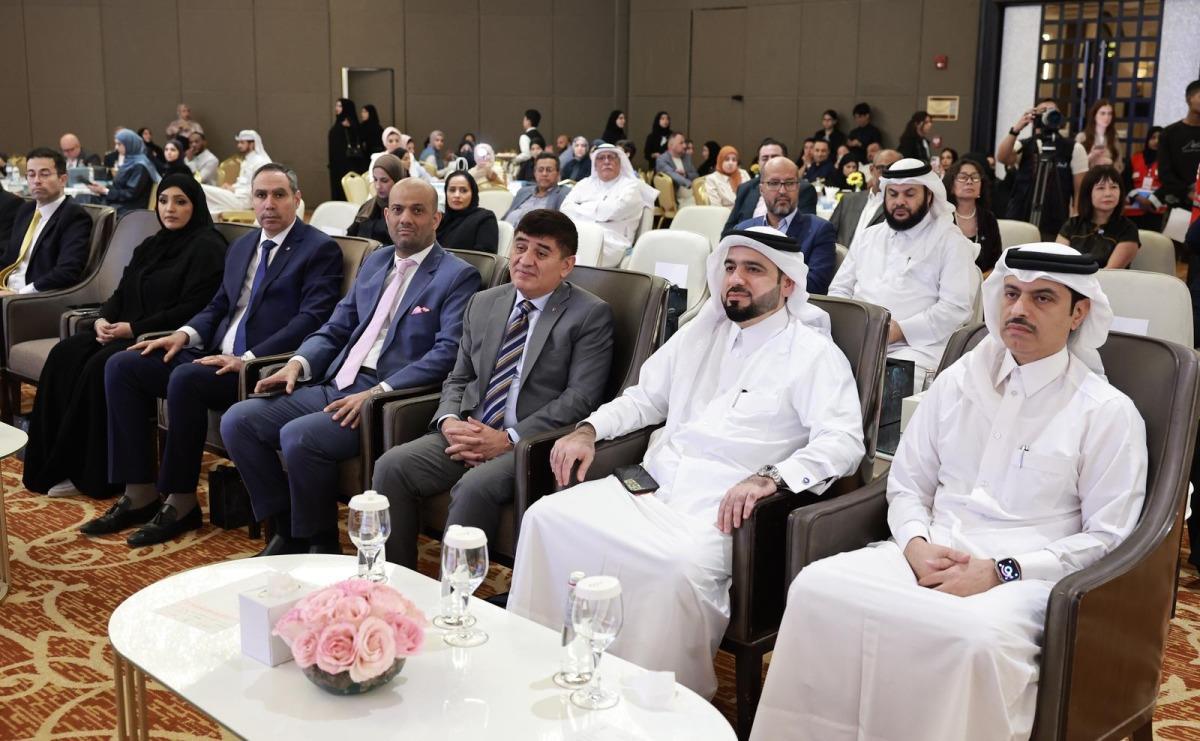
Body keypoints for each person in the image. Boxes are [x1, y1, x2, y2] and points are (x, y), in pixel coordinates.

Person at [752, 243, 1147, 741]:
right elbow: (907, 481)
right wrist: (915, 544)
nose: (1019, 309)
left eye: (1042, 298)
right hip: (929, 548)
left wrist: (1001, 571)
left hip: (1027, 579)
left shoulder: (1106, 412)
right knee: (816, 589)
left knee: (969, 639)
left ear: (1079, 313)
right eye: (1011, 294)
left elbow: (1108, 538)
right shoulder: (960, 379)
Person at [509, 226, 865, 697]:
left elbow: (843, 441)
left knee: (673, 568)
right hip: (651, 487)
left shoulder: (813, 354)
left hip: (722, 511)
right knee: (546, 517)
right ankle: (539, 669)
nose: (736, 279)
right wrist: (589, 429)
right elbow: (645, 399)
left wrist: (771, 478)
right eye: (730, 267)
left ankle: (653, 702)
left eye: (753, 270)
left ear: (787, 284)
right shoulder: (700, 334)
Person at [220, 178, 481, 555]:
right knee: (238, 421)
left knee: (299, 436)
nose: (405, 219)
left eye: (417, 211)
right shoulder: (376, 261)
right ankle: (287, 530)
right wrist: (298, 362)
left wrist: (377, 393)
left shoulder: (457, 275)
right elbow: (337, 325)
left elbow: (447, 353)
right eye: (397, 210)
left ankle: (321, 543)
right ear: (386, 215)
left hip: (386, 397)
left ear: (436, 218)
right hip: (337, 381)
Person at [92, 165, 343, 546]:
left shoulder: (319, 249)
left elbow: (312, 319)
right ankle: (139, 491)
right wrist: (183, 334)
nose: (269, 204)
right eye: (261, 195)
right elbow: (219, 305)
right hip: (213, 355)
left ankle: (180, 501)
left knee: (187, 378)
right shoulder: (243, 246)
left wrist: (249, 357)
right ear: (251, 200)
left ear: (297, 199)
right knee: (123, 365)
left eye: (279, 195)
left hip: (259, 367)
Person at [372, 209, 615, 567]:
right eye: (520, 247)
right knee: (392, 466)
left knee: (474, 487)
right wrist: (449, 421)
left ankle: (456, 592)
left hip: (528, 443)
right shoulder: (485, 302)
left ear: (566, 265)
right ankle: (395, 578)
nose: (525, 260)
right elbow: (459, 376)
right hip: (470, 429)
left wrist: (507, 439)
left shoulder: (590, 314)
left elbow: (579, 398)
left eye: (541, 253)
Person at [21, 173, 226, 499]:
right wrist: (102, 318)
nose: (169, 209)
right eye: (163, 201)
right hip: (122, 329)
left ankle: (92, 473)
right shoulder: (152, 244)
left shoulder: (208, 248)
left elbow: (193, 308)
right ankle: (52, 461)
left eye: (180, 202)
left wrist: (134, 329)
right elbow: (121, 292)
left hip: (159, 336)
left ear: (196, 206)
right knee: (65, 354)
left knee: (98, 367)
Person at [829, 158, 978, 384]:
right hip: (859, 339)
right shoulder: (869, 236)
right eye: (893, 194)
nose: (899, 202)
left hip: (918, 348)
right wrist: (850, 328)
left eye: (909, 194)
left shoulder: (950, 241)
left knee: (883, 385)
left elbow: (955, 308)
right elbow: (839, 290)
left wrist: (900, 331)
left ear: (929, 196)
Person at [735, 157, 837, 294]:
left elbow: (815, 285)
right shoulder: (743, 230)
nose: (782, 191)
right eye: (774, 183)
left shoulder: (819, 230)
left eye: (789, 183)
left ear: (798, 187)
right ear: (761, 189)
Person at [0, 148, 92, 296]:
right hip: (6, 288)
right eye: (31, 174)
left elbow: (67, 271)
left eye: (44, 174)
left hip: (32, 297)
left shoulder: (73, 216)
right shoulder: (25, 210)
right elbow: (8, 258)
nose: (36, 181)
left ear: (62, 179)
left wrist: (19, 294)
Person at [997, 98, 1088, 237]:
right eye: (1043, 111)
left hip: (1055, 221)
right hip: (1021, 217)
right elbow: (1003, 157)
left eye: (1053, 112)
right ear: (1035, 117)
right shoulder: (1025, 145)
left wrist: (1075, 225)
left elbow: (1080, 191)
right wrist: (1016, 129)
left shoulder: (1074, 148)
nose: (1049, 115)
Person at [560, 144, 657, 267]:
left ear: (619, 163)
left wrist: (581, 207)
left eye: (611, 157)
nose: (606, 161)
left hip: (613, 242)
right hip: (579, 235)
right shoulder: (584, 183)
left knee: (580, 248)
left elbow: (615, 211)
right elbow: (565, 209)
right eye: (601, 158)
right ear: (595, 164)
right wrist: (600, 209)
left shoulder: (632, 186)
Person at [1056, 164, 1139, 269]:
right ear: (1088, 193)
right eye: (1100, 188)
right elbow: (1058, 264)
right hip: (1069, 278)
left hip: (1107, 279)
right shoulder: (1072, 225)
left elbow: (1110, 271)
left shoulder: (1128, 229)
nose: (1108, 193)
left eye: (1113, 187)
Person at [724, 139, 817, 231]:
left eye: (775, 157)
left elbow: (806, 231)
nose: (769, 162)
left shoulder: (803, 189)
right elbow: (729, 229)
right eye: (765, 158)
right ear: (758, 162)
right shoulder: (745, 188)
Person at [828, 148, 902, 248]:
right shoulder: (849, 200)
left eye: (892, 170)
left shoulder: (899, 208)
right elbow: (827, 234)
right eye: (881, 168)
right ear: (871, 170)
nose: (886, 175)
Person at [1150, 79, 1200, 215]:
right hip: (1178, 205)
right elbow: (1165, 172)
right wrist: (1188, 192)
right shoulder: (1169, 133)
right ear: (1189, 99)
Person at [946, 156, 1003, 273]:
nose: (969, 181)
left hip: (984, 281)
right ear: (951, 186)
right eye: (963, 177)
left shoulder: (989, 219)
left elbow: (997, 263)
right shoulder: (942, 218)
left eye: (975, 177)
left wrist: (979, 280)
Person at [87, 128, 160, 216]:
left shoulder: (140, 165)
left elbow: (130, 194)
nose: (116, 148)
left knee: (90, 206)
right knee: (85, 200)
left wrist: (105, 191)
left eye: (119, 144)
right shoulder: (130, 161)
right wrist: (103, 188)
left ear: (129, 144)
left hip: (130, 207)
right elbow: (120, 186)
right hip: (122, 203)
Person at [202, 130, 271, 215]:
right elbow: (243, 183)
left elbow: (261, 189)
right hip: (237, 195)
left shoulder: (261, 162)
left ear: (252, 144)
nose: (239, 145)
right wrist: (231, 187)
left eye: (242, 143)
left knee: (202, 189)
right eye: (238, 143)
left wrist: (235, 190)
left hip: (245, 200)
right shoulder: (247, 161)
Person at [349, 153, 406, 243]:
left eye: (384, 181)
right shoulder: (367, 207)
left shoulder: (405, 210)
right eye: (375, 179)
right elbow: (350, 237)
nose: (378, 186)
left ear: (397, 180)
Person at [438, 170, 499, 254]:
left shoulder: (485, 218)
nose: (457, 195)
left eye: (463, 190)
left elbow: (485, 258)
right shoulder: (439, 220)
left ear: (473, 193)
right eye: (452, 190)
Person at [504, 153, 571, 226]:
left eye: (549, 170)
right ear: (534, 173)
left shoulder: (563, 194)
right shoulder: (523, 191)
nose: (544, 174)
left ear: (558, 174)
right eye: (540, 170)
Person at [1124, 126, 1167, 230]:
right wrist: (1138, 198)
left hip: (1156, 209)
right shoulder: (1135, 158)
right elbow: (1125, 181)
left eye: (1160, 138)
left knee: (1153, 238)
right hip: (1133, 209)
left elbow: (1169, 184)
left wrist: (1151, 201)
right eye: (1153, 137)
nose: (1156, 141)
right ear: (1147, 139)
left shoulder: (1167, 161)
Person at [328, 98, 366, 201]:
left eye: (340, 106)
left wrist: (351, 127)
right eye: (336, 105)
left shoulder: (353, 127)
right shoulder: (337, 126)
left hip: (351, 166)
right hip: (337, 167)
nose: (337, 108)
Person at [1075, 98, 1122, 174]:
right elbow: (1075, 165)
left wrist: (1109, 162)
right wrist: (1091, 156)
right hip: (1088, 178)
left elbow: (1120, 166)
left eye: (1109, 114)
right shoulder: (1082, 137)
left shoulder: (1114, 138)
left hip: (1107, 178)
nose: (1106, 117)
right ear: (1094, 115)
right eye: (1102, 113)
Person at [655, 132, 699, 204]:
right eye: (681, 143)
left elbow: (696, 175)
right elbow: (671, 174)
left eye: (684, 142)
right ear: (671, 145)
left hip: (693, 194)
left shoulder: (687, 157)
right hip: (675, 200)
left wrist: (686, 174)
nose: (685, 146)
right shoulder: (662, 159)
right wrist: (690, 184)